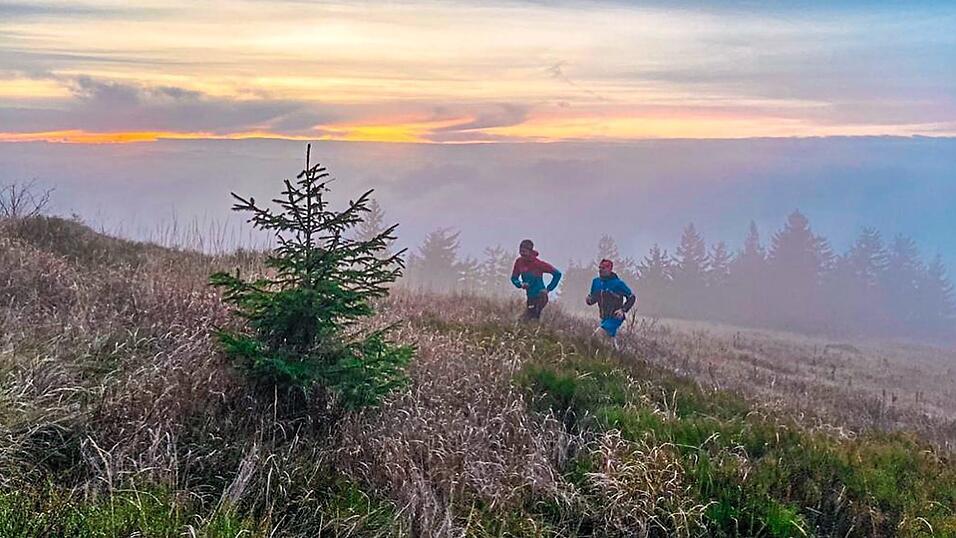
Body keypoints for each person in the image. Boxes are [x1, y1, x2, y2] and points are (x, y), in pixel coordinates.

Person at [586, 258, 636, 347]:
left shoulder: (618, 283)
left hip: (615, 318)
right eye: (600, 268)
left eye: (604, 268)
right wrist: (589, 300)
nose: (601, 270)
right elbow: (593, 298)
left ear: (610, 269)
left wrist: (623, 310)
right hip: (604, 317)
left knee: (597, 335)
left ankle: (591, 354)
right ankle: (618, 357)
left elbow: (632, 297)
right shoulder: (596, 282)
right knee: (609, 343)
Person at [511, 239, 562, 320]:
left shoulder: (538, 264)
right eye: (520, 251)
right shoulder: (519, 262)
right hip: (530, 297)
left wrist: (548, 289)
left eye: (524, 251)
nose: (522, 254)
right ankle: (538, 330)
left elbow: (557, 274)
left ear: (530, 251)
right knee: (530, 318)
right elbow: (514, 278)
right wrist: (520, 284)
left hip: (541, 296)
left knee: (529, 318)